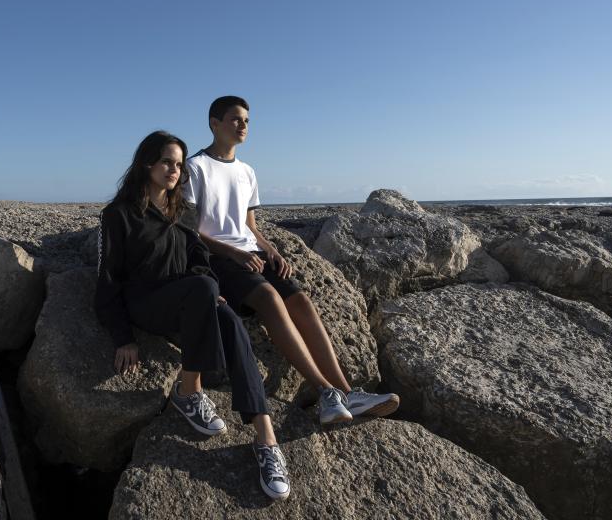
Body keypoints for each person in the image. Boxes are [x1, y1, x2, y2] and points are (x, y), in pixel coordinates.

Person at [94, 130, 290, 500]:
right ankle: (190, 389)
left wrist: (209, 293)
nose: (174, 169)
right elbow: (106, 282)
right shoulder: (117, 215)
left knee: (228, 318)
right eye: (167, 161)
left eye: (179, 164)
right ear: (147, 162)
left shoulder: (183, 212)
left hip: (188, 299)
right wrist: (123, 337)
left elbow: (200, 260)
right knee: (206, 292)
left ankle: (266, 440)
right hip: (145, 304)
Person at [183, 96, 400, 425]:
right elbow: (190, 230)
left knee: (301, 301)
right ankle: (325, 392)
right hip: (219, 258)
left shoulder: (246, 171)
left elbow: (249, 225)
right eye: (235, 120)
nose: (243, 126)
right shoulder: (195, 167)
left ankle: (348, 393)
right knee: (269, 298)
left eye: (247, 120)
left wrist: (270, 248)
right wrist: (234, 252)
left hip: (252, 252)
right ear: (214, 123)